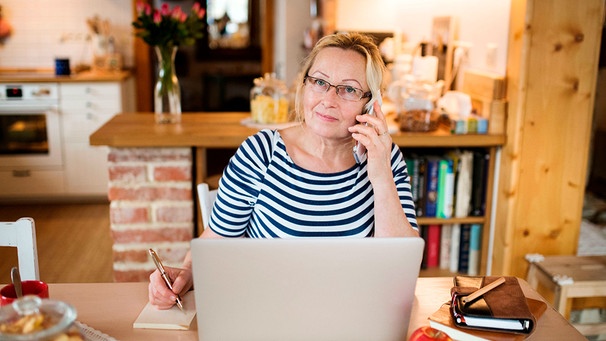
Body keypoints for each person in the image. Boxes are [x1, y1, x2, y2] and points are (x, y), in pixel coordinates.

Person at [149, 32, 419, 310]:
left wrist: (381, 177)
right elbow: (215, 243)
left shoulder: (385, 157)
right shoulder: (260, 153)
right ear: (305, 85)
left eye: (348, 89)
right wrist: (184, 275)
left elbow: (401, 271)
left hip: (352, 313)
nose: (328, 99)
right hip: (270, 312)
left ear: (372, 103)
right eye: (320, 82)